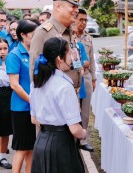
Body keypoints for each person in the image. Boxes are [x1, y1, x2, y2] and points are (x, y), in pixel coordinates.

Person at [30, 37, 86, 173]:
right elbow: (75, 129)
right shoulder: (64, 86)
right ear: (60, 58)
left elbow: (34, 119)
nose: (71, 56)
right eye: (68, 53)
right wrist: (83, 133)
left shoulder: (36, 83)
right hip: (61, 146)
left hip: (41, 142)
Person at [29, 0, 83, 91]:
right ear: (58, 7)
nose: (76, 10)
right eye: (73, 6)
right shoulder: (43, 32)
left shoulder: (70, 30)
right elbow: (35, 70)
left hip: (72, 92)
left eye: (77, 7)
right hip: (54, 98)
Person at [5, 20, 38, 173]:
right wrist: (32, 101)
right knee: (21, 148)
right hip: (21, 108)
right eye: (33, 34)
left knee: (31, 147)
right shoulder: (14, 54)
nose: (36, 37)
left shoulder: (35, 53)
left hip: (33, 106)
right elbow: (14, 85)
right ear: (23, 35)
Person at [75, 9, 96, 152]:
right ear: (74, 19)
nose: (83, 22)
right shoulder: (69, 37)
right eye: (80, 19)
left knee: (85, 110)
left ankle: (82, 140)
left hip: (87, 76)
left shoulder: (88, 38)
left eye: (85, 20)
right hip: (73, 76)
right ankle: (72, 137)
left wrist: (94, 78)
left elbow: (92, 59)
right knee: (72, 108)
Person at [0, 38, 12, 169]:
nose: (2, 52)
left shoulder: (11, 62)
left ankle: (2, 156)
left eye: (5, 49)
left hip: (7, 95)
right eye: (0, 49)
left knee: (5, 129)